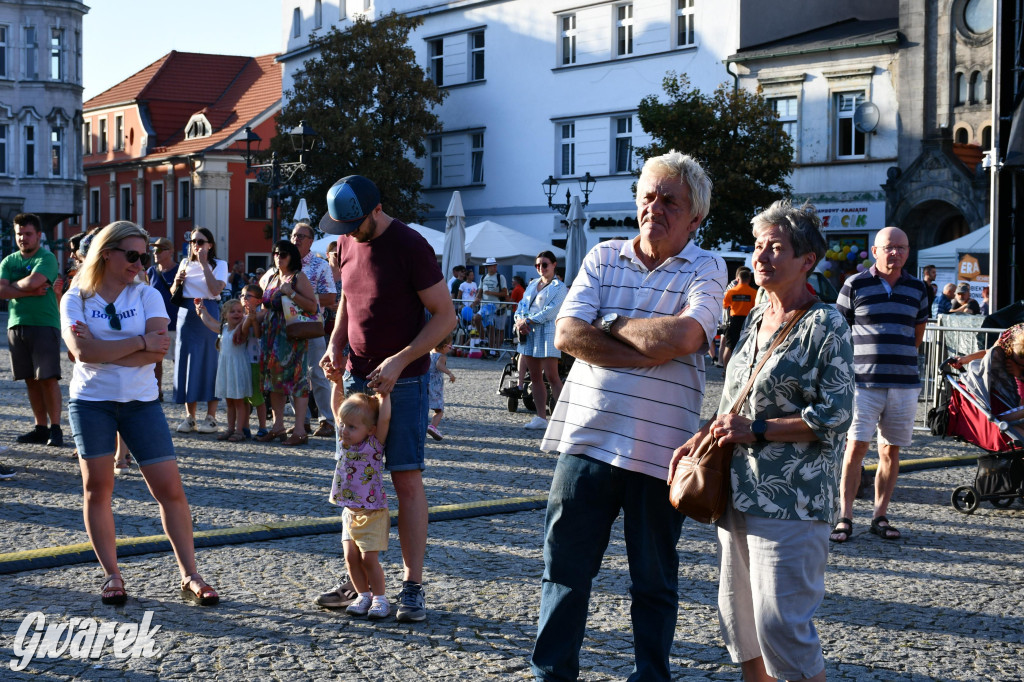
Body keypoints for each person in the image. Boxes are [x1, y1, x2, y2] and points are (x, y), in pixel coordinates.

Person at [531, 151, 727, 681]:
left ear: (695, 217)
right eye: (647, 196)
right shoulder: (603, 255)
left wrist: (610, 324)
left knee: (654, 582)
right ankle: (552, 675)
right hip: (586, 442)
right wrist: (648, 341)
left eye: (670, 201)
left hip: (664, 453)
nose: (654, 209)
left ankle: (650, 677)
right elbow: (567, 335)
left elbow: (688, 336)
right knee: (564, 572)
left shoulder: (708, 265)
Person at [671, 200, 853, 682]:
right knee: (740, 624)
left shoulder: (826, 324)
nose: (762, 256)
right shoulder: (753, 318)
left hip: (793, 499)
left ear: (807, 260)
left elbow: (835, 415)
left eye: (776, 248)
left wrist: (758, 431)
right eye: (758, 246)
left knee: (782, 627)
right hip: (738, 490)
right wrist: (701, 437)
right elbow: (736, 401)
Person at [318, 174, 456, 623]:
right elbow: (347, 299)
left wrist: (401, 360)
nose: (348, 232)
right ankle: (360, 576)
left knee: (405, 482)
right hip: (358, 378)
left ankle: (412, 585)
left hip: (408, 383)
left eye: (355, 223)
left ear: (376, 210)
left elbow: (445, 317)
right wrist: (335, 342)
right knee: (356, 482)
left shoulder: (411, 246)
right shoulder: (346, 241)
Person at [60, 220, 218, 607]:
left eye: (143, 256)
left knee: (170, 491)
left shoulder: (147, 295)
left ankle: (190, 575)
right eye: (131, 255)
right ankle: (113, 576)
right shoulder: (75, 297)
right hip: (91, 403)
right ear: (106, 252)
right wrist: (138, 342)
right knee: (98, 490)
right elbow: (82, 354)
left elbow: (158, 351)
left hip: (142, 403)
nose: (138, 262)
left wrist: (114, 348)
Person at [831, 227, 930, 543]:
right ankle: (844, 516)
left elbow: (918, 334)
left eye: (901, 247)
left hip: (903, 385)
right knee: (855, 448)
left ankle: (879, 515)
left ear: (908, 251)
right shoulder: (855, 284)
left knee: (891, 451)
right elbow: (839, 332)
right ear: (875, 251)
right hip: (863, 384)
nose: (895, 253)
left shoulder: (917, 288)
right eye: (889, 247)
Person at [0, 213, 64, 447]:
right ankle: (40, 427)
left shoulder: (46, 258)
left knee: (47, 378)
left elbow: (34, 282)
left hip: (44, 323)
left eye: (28, 234)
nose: (23, 239)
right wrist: (25, 290)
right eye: (19, 234)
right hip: (16, 324)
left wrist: (15, 288)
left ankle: (56, 429)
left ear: (38, 235)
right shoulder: (9, 261)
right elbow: (1, 291)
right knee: (30, 379)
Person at [330, 391, 392, 620]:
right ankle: (362, 595)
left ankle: (380, 598)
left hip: (372, 513)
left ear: (370, 430)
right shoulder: (344, 442)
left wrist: (384, 397)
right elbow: (337, 411)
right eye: (344, 425)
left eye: (352, 427)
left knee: (368, 558)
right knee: (350, 557)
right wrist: (336, 383)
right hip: (350, 513)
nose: (344, 430)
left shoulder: (374, 446)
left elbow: (384, 420)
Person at [258, 240, 318, 446]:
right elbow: (265, 308)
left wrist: (290, 292)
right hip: (271, 338)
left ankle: (300, 430)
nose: (278, 257)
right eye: (275, 253)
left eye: (283, 254)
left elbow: (313, 307)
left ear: (292, 257)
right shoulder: (273, 277)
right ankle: (278, 427)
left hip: (292, 337)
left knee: (297, 382)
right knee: (274, 383)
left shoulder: (298, 278)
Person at [169, 227, 227, 434]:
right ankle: (190, 417)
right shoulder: (184, 263)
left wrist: (204, 265)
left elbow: (215, 289)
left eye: (201, 242)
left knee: (210, 362)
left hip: (208, 311)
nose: (196, 245)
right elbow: (174, 293)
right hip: (186, 314)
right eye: (193, 241)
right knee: (186, 363)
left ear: (210, 245)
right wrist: (176, 283)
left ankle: (211, 418)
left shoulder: (219, 265)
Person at [291, 222, 338, 438]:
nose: (296, 239)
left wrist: (302, 299)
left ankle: (327, 420)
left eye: (301, 236)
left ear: (311, 241)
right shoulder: (283, 264)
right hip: (288, 326)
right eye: (294, 235)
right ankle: (302, 420)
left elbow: (330, 297)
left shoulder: (320, 266)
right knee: (293, 375)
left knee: (317, 373)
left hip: (311, 325)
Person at [513, 252, 568, 431]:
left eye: (544, 264)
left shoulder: (560, 287)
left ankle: (561, 419)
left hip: (547, 332)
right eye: (538, 265)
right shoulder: (531, 285)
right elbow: (521, 306)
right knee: (535, 376)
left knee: (552, 376)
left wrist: (528, 321)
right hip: (529, 332)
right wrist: (520, 321)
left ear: (553, 265)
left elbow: (551, 311)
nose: (541, 268)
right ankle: (540, 417)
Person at [197, 298, 250, 442]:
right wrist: (203, 311)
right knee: (230, 402)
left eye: (239, 311)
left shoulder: (243, 327)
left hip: (237, 368)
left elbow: (249, 318)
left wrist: (248, 311)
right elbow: (210, 323)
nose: (237, 314)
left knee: (239, 401)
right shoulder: (224, 328)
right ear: (225, 314)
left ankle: (240, 430)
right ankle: (230, 428)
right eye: (232, 311)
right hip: (226, 369)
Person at [147, 237, 179, 401]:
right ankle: (157, 391)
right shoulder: (151, 272)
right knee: (156, 360)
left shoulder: (179, 270)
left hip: (176, 322)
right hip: (157, 323)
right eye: (154, 250)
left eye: (159, 249)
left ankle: (180, 392)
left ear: (170, 251)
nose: (155, 253)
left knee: (177, 360)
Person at [237, 283, 269, 439]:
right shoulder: (238, 315)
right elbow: (241, 334)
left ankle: (263, 426)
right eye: (242, 295)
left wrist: (252, 319)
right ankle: (245, 426)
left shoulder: (261, 314)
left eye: (248, 296)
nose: (244, 298)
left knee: (257, 396)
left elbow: (257, 334)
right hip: (241, 359)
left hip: (254, 359)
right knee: (243, 396)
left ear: (258, 300)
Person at [721, 267, 757, 368]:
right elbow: (756, 307)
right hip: (747, 321)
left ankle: (725, 370)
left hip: (733, 320)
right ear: (749, 279)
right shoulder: (753, 292)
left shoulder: (731, 291)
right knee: (746, 346)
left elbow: (725, 306)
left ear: (738, 279)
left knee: (729, 347)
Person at [427, 334, 456, 441]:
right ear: (444, 346)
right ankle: (432, 427)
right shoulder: (442, 356)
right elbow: (439, 365)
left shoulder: (430, 353)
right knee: (439, 410)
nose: (451, 348)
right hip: (435, 386)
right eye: (450, 346)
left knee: (425, 405)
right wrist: (449, 373)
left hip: (426, 382)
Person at [479, 257, 508, 355]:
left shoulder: (500, 277)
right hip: (486, 306)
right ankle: (491, 347)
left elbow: (505, 293)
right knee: (490, 327)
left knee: (499, 329)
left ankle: (496, 349)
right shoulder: (483, 277)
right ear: (487, 267)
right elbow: (479, 292)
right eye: (492, 266)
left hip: (498, 307)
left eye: (495, 265)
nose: (494, 267)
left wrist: (490, 293)